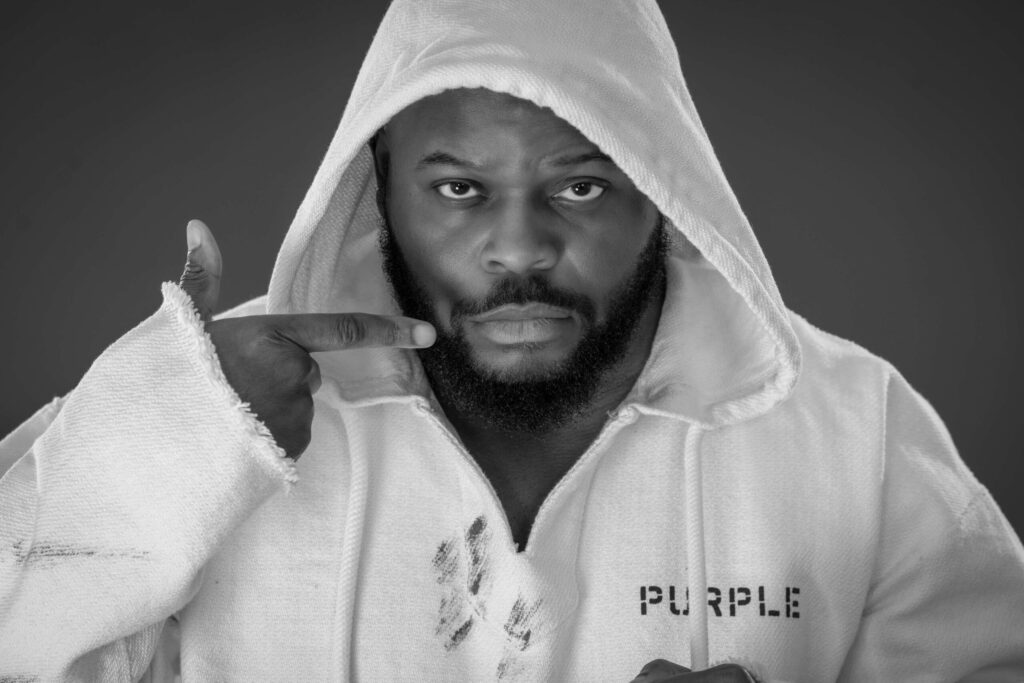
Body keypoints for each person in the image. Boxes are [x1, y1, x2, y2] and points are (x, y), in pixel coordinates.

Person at [2, 0, 1023, 680]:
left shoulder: (854, 427)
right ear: (378, 195)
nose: (520, 246)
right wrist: (156, 447)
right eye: (458, 189)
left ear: (662, 194)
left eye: (580, 184)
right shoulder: (213, 403)